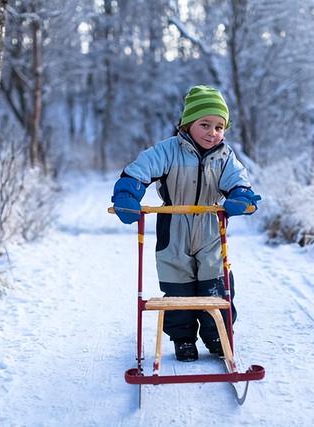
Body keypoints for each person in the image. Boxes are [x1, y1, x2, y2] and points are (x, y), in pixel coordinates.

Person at [111, 85, 261, 362]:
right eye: (204, 124)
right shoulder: (167, 151)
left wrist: (241, 197)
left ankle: (218, 335)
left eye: (219, 127)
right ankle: (183, 339)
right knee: (178, 285)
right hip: (174, 227)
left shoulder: (226, 157)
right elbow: (139, 170)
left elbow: (240, 182)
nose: (212, 132)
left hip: (210, 228)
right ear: (186, 124)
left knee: (216, 284)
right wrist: (127, 194)